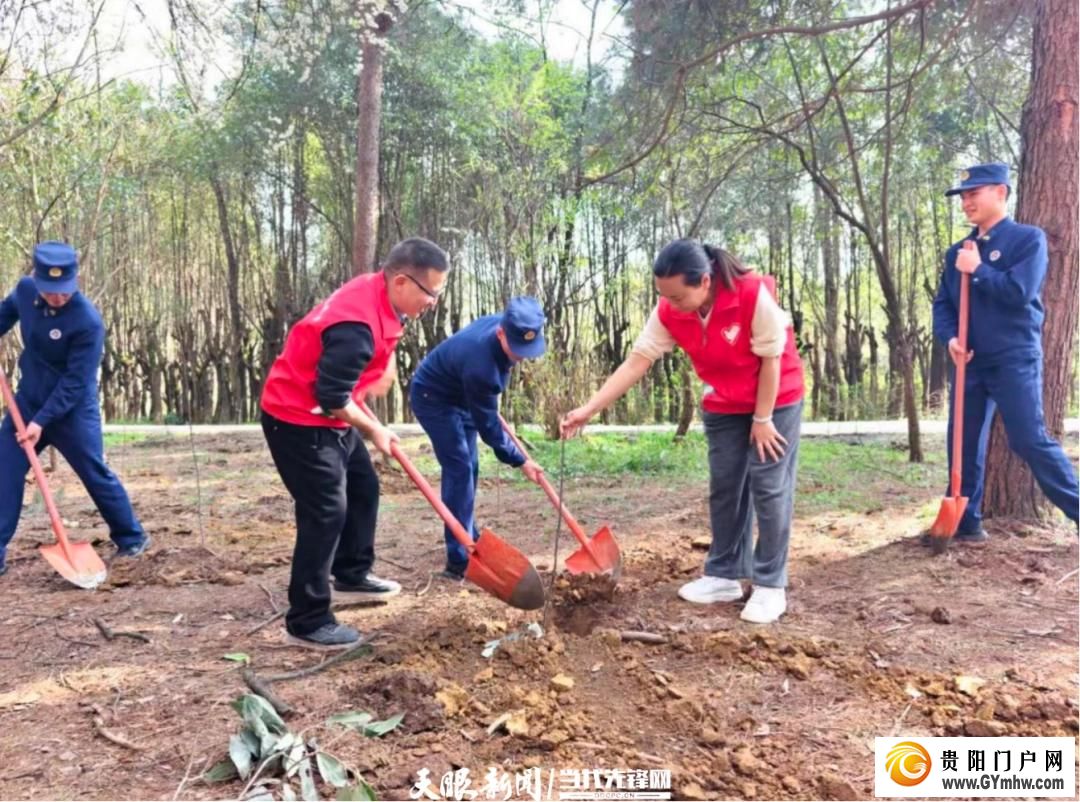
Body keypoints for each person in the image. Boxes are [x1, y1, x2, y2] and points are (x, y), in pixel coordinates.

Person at [561, 240, 804, 624]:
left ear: (704, 281)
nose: (670, 304)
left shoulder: (752, 295)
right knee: (726, 486)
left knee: (769, 485)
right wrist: (589, 410)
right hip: (725, 401)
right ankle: (724, 574)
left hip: (775, 400)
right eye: (663, 295)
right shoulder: (670, 311)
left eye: (676, 295)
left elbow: (772, 358)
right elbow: (637, 361)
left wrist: (762, 419)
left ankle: (770, 584)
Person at [261, 237, 449, 650]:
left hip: (328, 418)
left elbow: (356, 369)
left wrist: (376, 375)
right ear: (401, 281)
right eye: (430, 292)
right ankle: (307, 620)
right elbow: (332, 397)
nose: (433, 302)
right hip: (297, 420)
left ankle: (351, 573)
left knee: (364, 488)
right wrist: (375, 430)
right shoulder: (355, 328)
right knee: (326, 511)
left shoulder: (378, 293)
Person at [927, 162, 1079, 544]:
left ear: (1001, 192)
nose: (966, 203)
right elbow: (943, 304)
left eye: (973, 194)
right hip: (970, 361)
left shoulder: (1028, 240)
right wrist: (950, 339)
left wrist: (978, 269)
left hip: (1014, 357)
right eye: (963, 197)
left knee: (1028, 438)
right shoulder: (957, 251)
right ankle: (967, 522)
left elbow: (1019, 292)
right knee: (962, 443)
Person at [0, 241, 149, 577]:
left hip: (72, 412)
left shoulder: (88, 322)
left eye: (64, 291)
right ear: (37, 280)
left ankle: (131, 536)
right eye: (51, 291)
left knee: (93, 470)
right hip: (28, 401)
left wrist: (41, 422)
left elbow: (75, 383)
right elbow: (6, 313)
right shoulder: (25, 292)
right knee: (4, 471)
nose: (58, 297)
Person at [409, 297, 546, 581]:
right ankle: (459, 559)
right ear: (500, 333)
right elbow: (490, 430)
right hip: (434, 397)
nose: (522, 356)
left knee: (470, 468)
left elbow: (486, 413)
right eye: (518, 350)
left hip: (463, 393)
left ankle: (467, 532)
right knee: (459, 467)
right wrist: (521, 461)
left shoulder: (512, 323)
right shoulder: (481, 367)